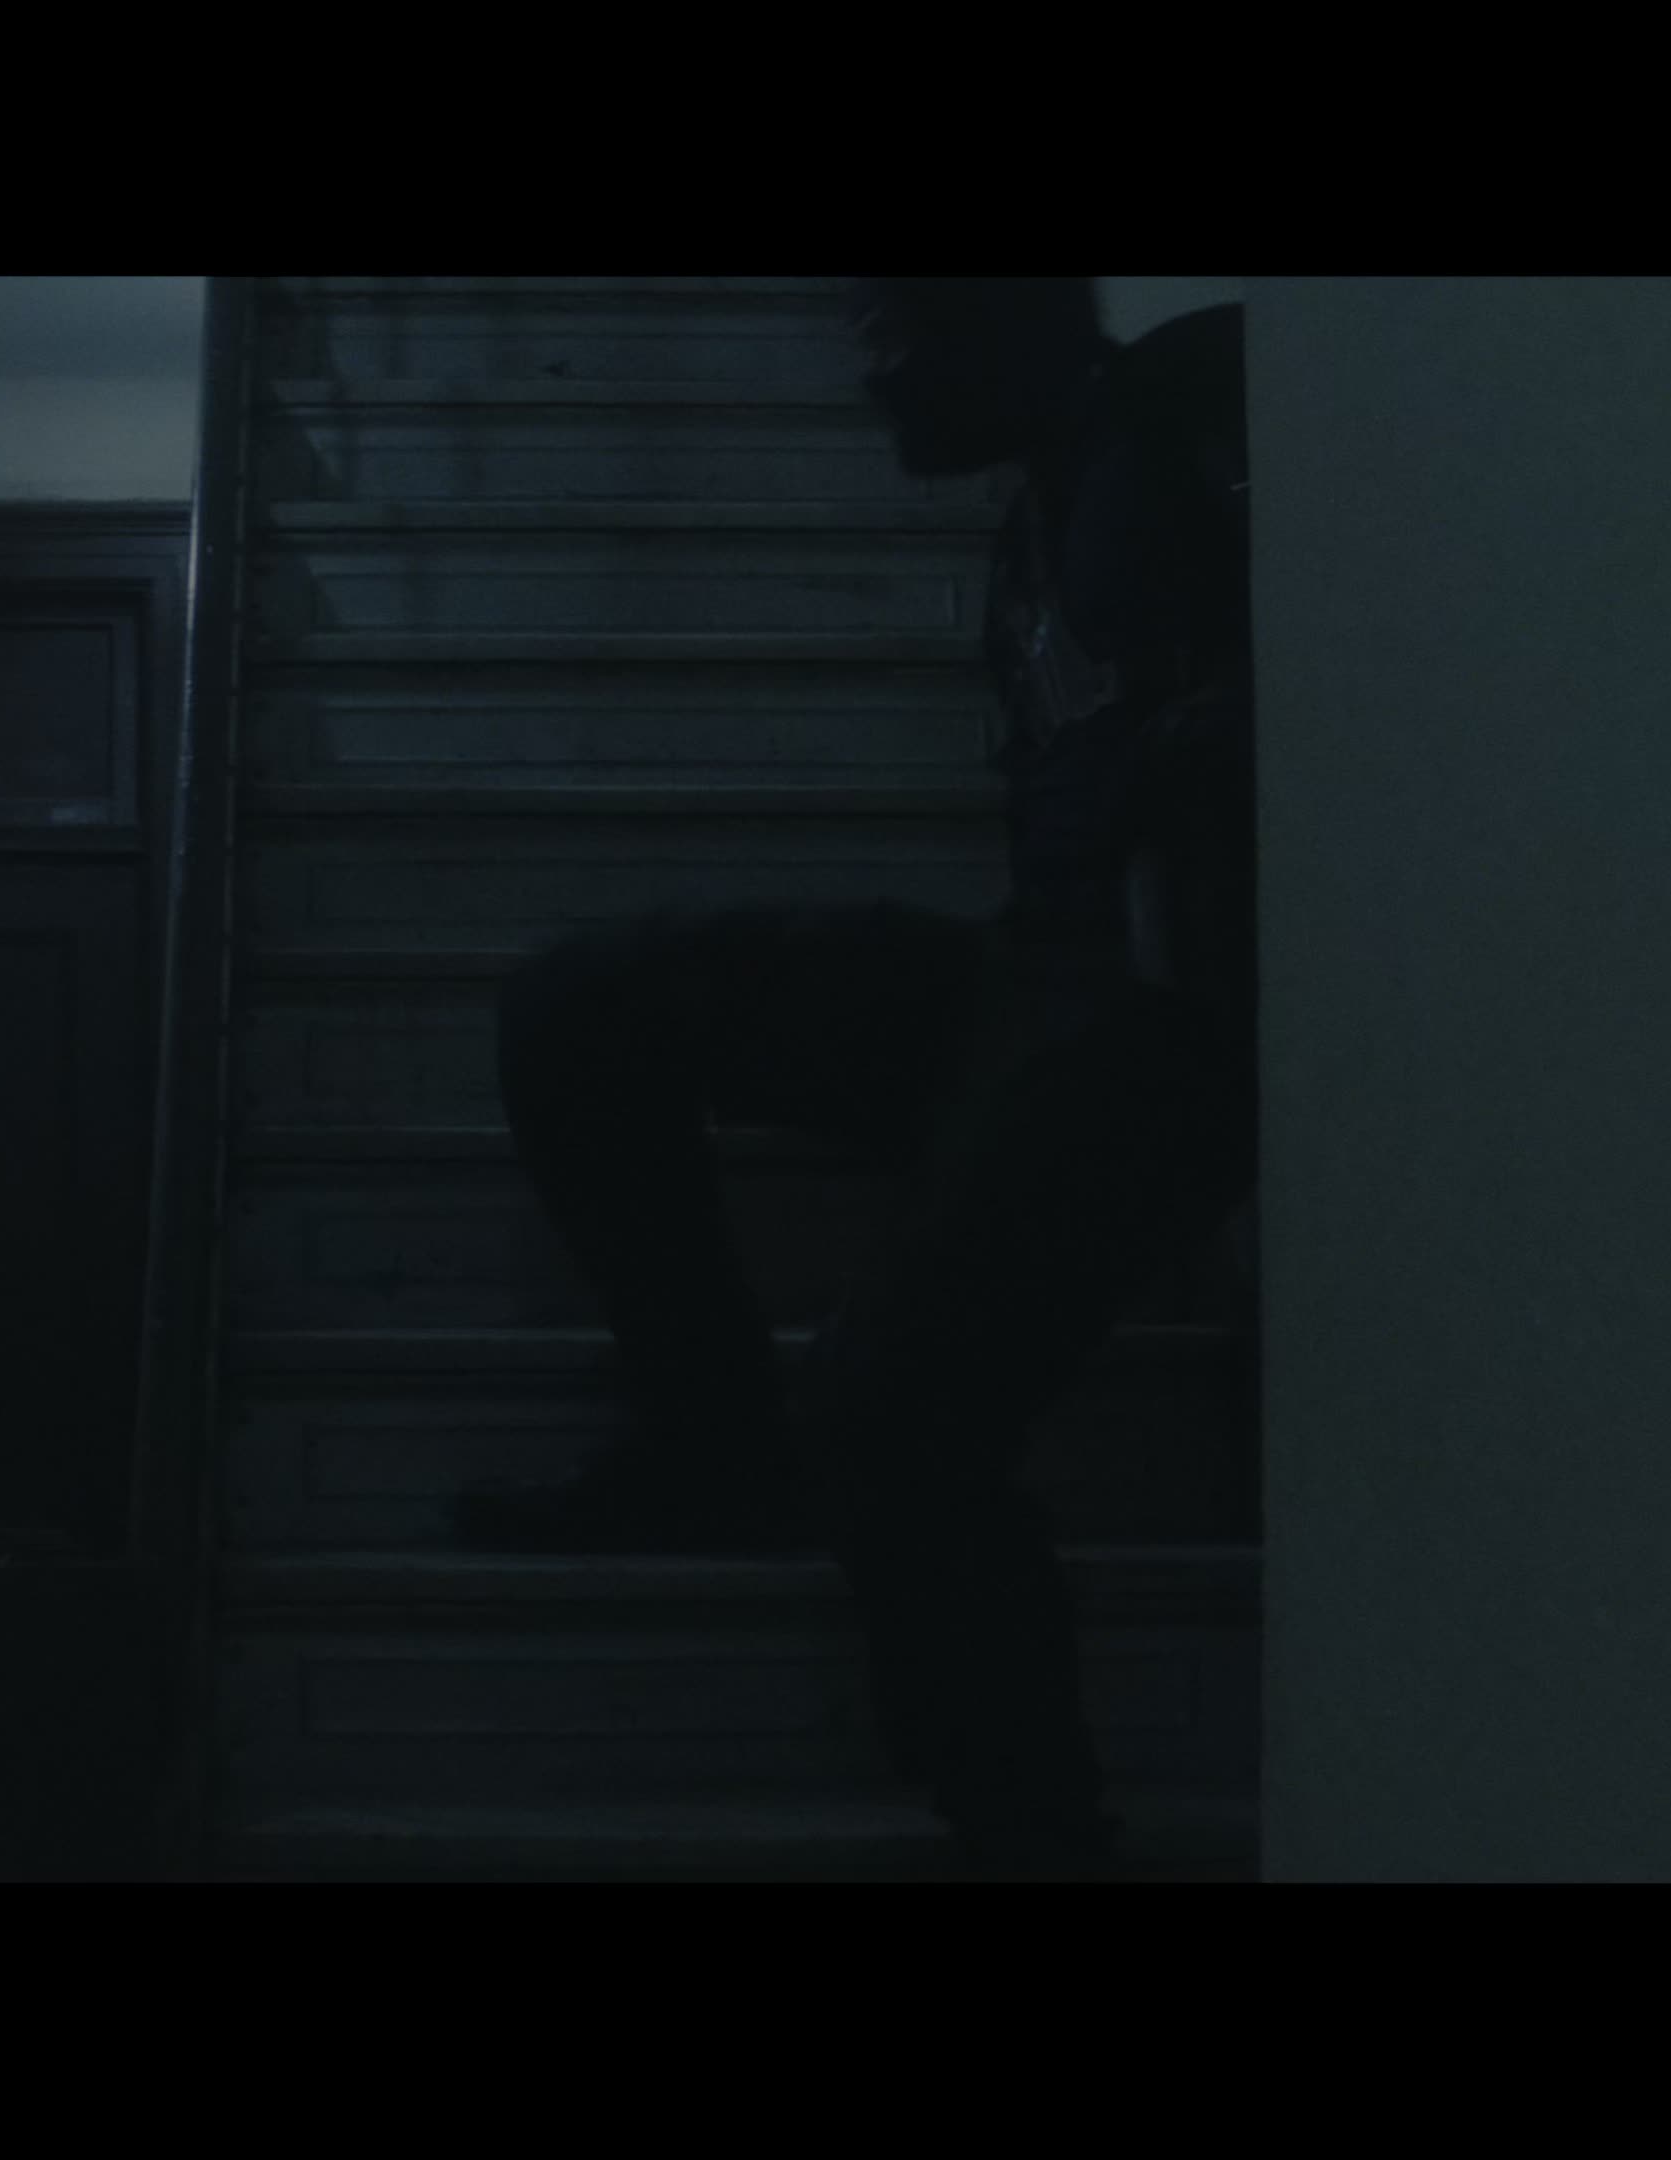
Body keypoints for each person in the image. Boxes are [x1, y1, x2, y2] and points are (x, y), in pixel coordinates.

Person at [451, 279, 1257, 1876]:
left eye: (895, 337)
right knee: (578, 1007)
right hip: (1031, 978)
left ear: (1004, 321)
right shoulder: (1037, 518)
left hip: (1156, 1033)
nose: (871, 382)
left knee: (885, 1419)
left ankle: (1034, 1833)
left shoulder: (1177, 421)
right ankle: (713, 1445)